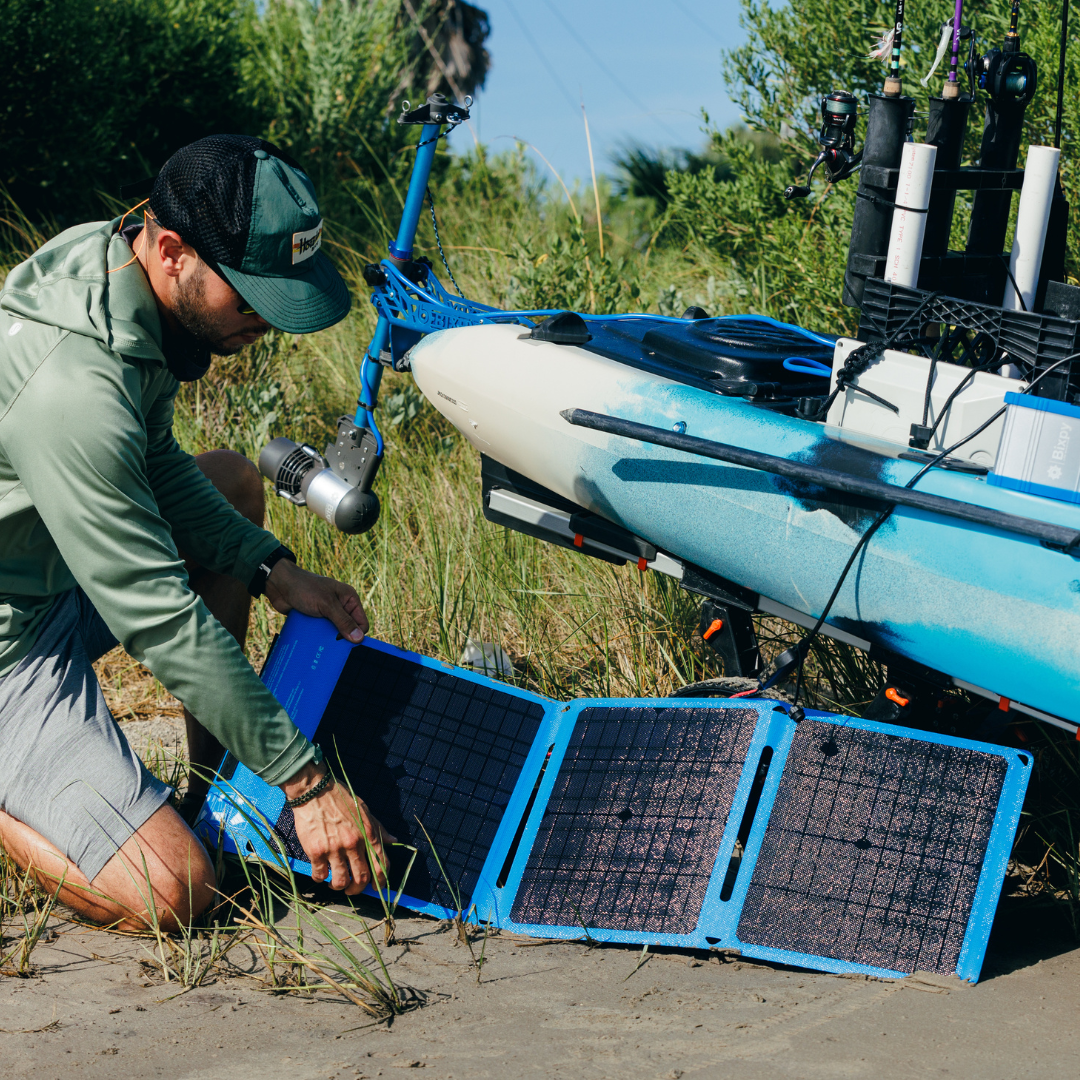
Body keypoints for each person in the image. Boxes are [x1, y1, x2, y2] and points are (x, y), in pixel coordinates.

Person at [0, 135, 392, 932]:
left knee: (234, 484)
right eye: (250, 300)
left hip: (54, 571)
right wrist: (306, 783)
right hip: (12, 648)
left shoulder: (127, 271)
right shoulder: (74, 388)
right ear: (173, 250)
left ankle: (213, 797)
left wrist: (272, 570)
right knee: (174, 891)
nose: (266, 324)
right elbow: (157, 615)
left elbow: (156, 466)